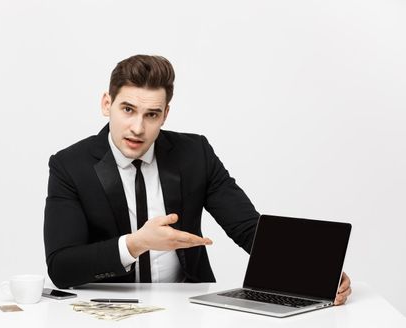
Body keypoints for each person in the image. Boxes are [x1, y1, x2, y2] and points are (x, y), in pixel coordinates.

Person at [43, 54, 352, 305]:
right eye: (128, 109)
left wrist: (317, 274)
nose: (137, 127)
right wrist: (136, 244)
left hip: (187, 306)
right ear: (106, 104)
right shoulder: (69, 165)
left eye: (151, 115)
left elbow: (247, 228)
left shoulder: (195, 153)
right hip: (107, 309)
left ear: (164, 115)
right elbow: (61, 267)